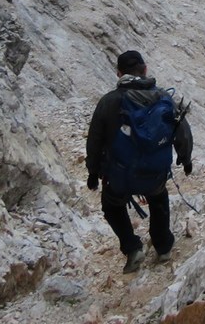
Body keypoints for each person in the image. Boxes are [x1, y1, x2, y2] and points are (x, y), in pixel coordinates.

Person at [86, 49, 193, 273]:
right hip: (155, 173)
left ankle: (133, 248)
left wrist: (93, 172)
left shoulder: (109, 102)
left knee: (111, 206)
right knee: (159, 197)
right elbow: (181, 130)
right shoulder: (163, 97)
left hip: (119, 176)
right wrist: (185, 158)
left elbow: (95, 140)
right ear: (145, 70)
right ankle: (163, 247)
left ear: (118, 74)